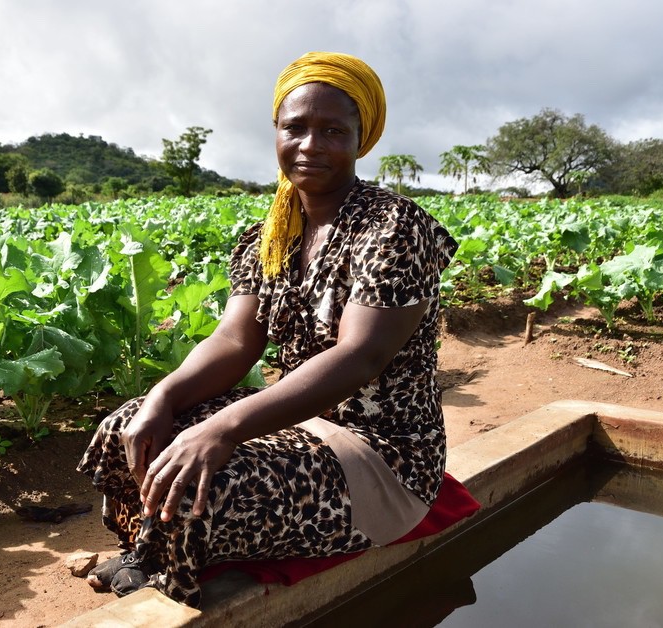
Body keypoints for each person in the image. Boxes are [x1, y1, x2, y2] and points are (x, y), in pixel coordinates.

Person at [77, 51, 458, 607]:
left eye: (332, 130)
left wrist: (226, 428)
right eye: (295, 128)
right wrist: (162, 396)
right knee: (129, 428)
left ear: (362, 137)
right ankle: (151, 551)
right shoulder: (272, 234)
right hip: (297, 422)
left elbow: (361, 355)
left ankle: (176, 568)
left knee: (205, 480)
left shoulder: (395, 228)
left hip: (383, 455)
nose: (310, 146)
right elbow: (235, 342)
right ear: (276, 132)